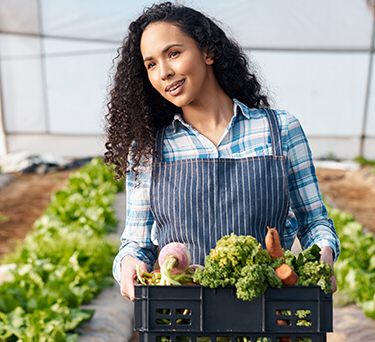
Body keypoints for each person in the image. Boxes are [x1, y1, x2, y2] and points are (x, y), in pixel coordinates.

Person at [103, 2, 340, 301]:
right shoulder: (150, 149)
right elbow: (136, 244)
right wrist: (129, 266)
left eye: (173, 53)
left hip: (269, 313)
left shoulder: (280, 131)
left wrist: (324, 259)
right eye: (151, 64)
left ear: (208, 52)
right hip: (183, 319)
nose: (164, 72)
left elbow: (314, 222)